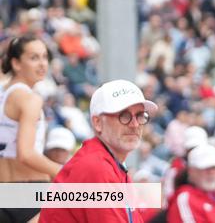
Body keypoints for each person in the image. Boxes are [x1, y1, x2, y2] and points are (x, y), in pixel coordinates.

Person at [40, 79, 158, 223]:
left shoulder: (111, 163)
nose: (134, 124)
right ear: (97, 123)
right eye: (124, 116)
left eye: (140, 115)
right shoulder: (95, 167)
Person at [1, 35, 61, 223]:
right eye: (34, 58)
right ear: (16, 63)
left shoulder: (3, 94)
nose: (43, 64)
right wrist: (67, 171)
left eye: (45, 57)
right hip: (30, 195)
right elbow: (26, 154)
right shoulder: (30, 99)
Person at [166, 144, 215, 223]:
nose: (211, 173)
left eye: (214, 167)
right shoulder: (185, 198)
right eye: (205, 168)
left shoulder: (213, 196)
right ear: (191, 171)